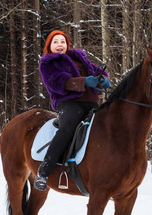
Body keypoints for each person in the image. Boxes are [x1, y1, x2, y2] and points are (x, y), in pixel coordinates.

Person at [34, 30, 111, 191]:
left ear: (67, 44)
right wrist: (83, 81)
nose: (60, 45)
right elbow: (57, 82)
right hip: (68, 103)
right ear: (49, 45)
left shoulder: (80, 58)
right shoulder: (47, 63)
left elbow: (96, 71)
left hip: (91, 102)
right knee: (67, 128)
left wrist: (103, 79)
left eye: (62, 41)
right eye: (55, 42)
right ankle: (43, 172)